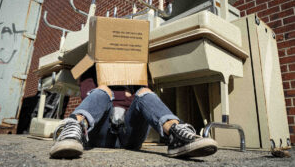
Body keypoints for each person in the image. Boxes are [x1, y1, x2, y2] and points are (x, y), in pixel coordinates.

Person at [49, 66, 218, 159]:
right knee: (102, 91)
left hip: (129, 135)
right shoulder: (90, 68)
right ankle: (71, 132)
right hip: (100, 135)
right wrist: (118, 95)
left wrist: (126, 96)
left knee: (144, 92)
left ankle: (176, 134)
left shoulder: (135, 68)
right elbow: (90, 98)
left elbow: (143, 103)